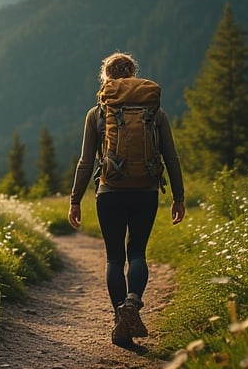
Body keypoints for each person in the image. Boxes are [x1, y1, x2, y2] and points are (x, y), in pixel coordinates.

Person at [68, 52, 185, 347]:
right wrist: (178, 197)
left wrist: (75, 199)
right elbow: (171, 158)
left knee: (114, 257)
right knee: (137, 253)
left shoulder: (97, 114)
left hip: (110, 192)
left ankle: (120, 318)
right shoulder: (155, 113)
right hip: (145, 191)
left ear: (106, 78)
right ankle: (133, 302)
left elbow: (85, 162)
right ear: (133, 75)